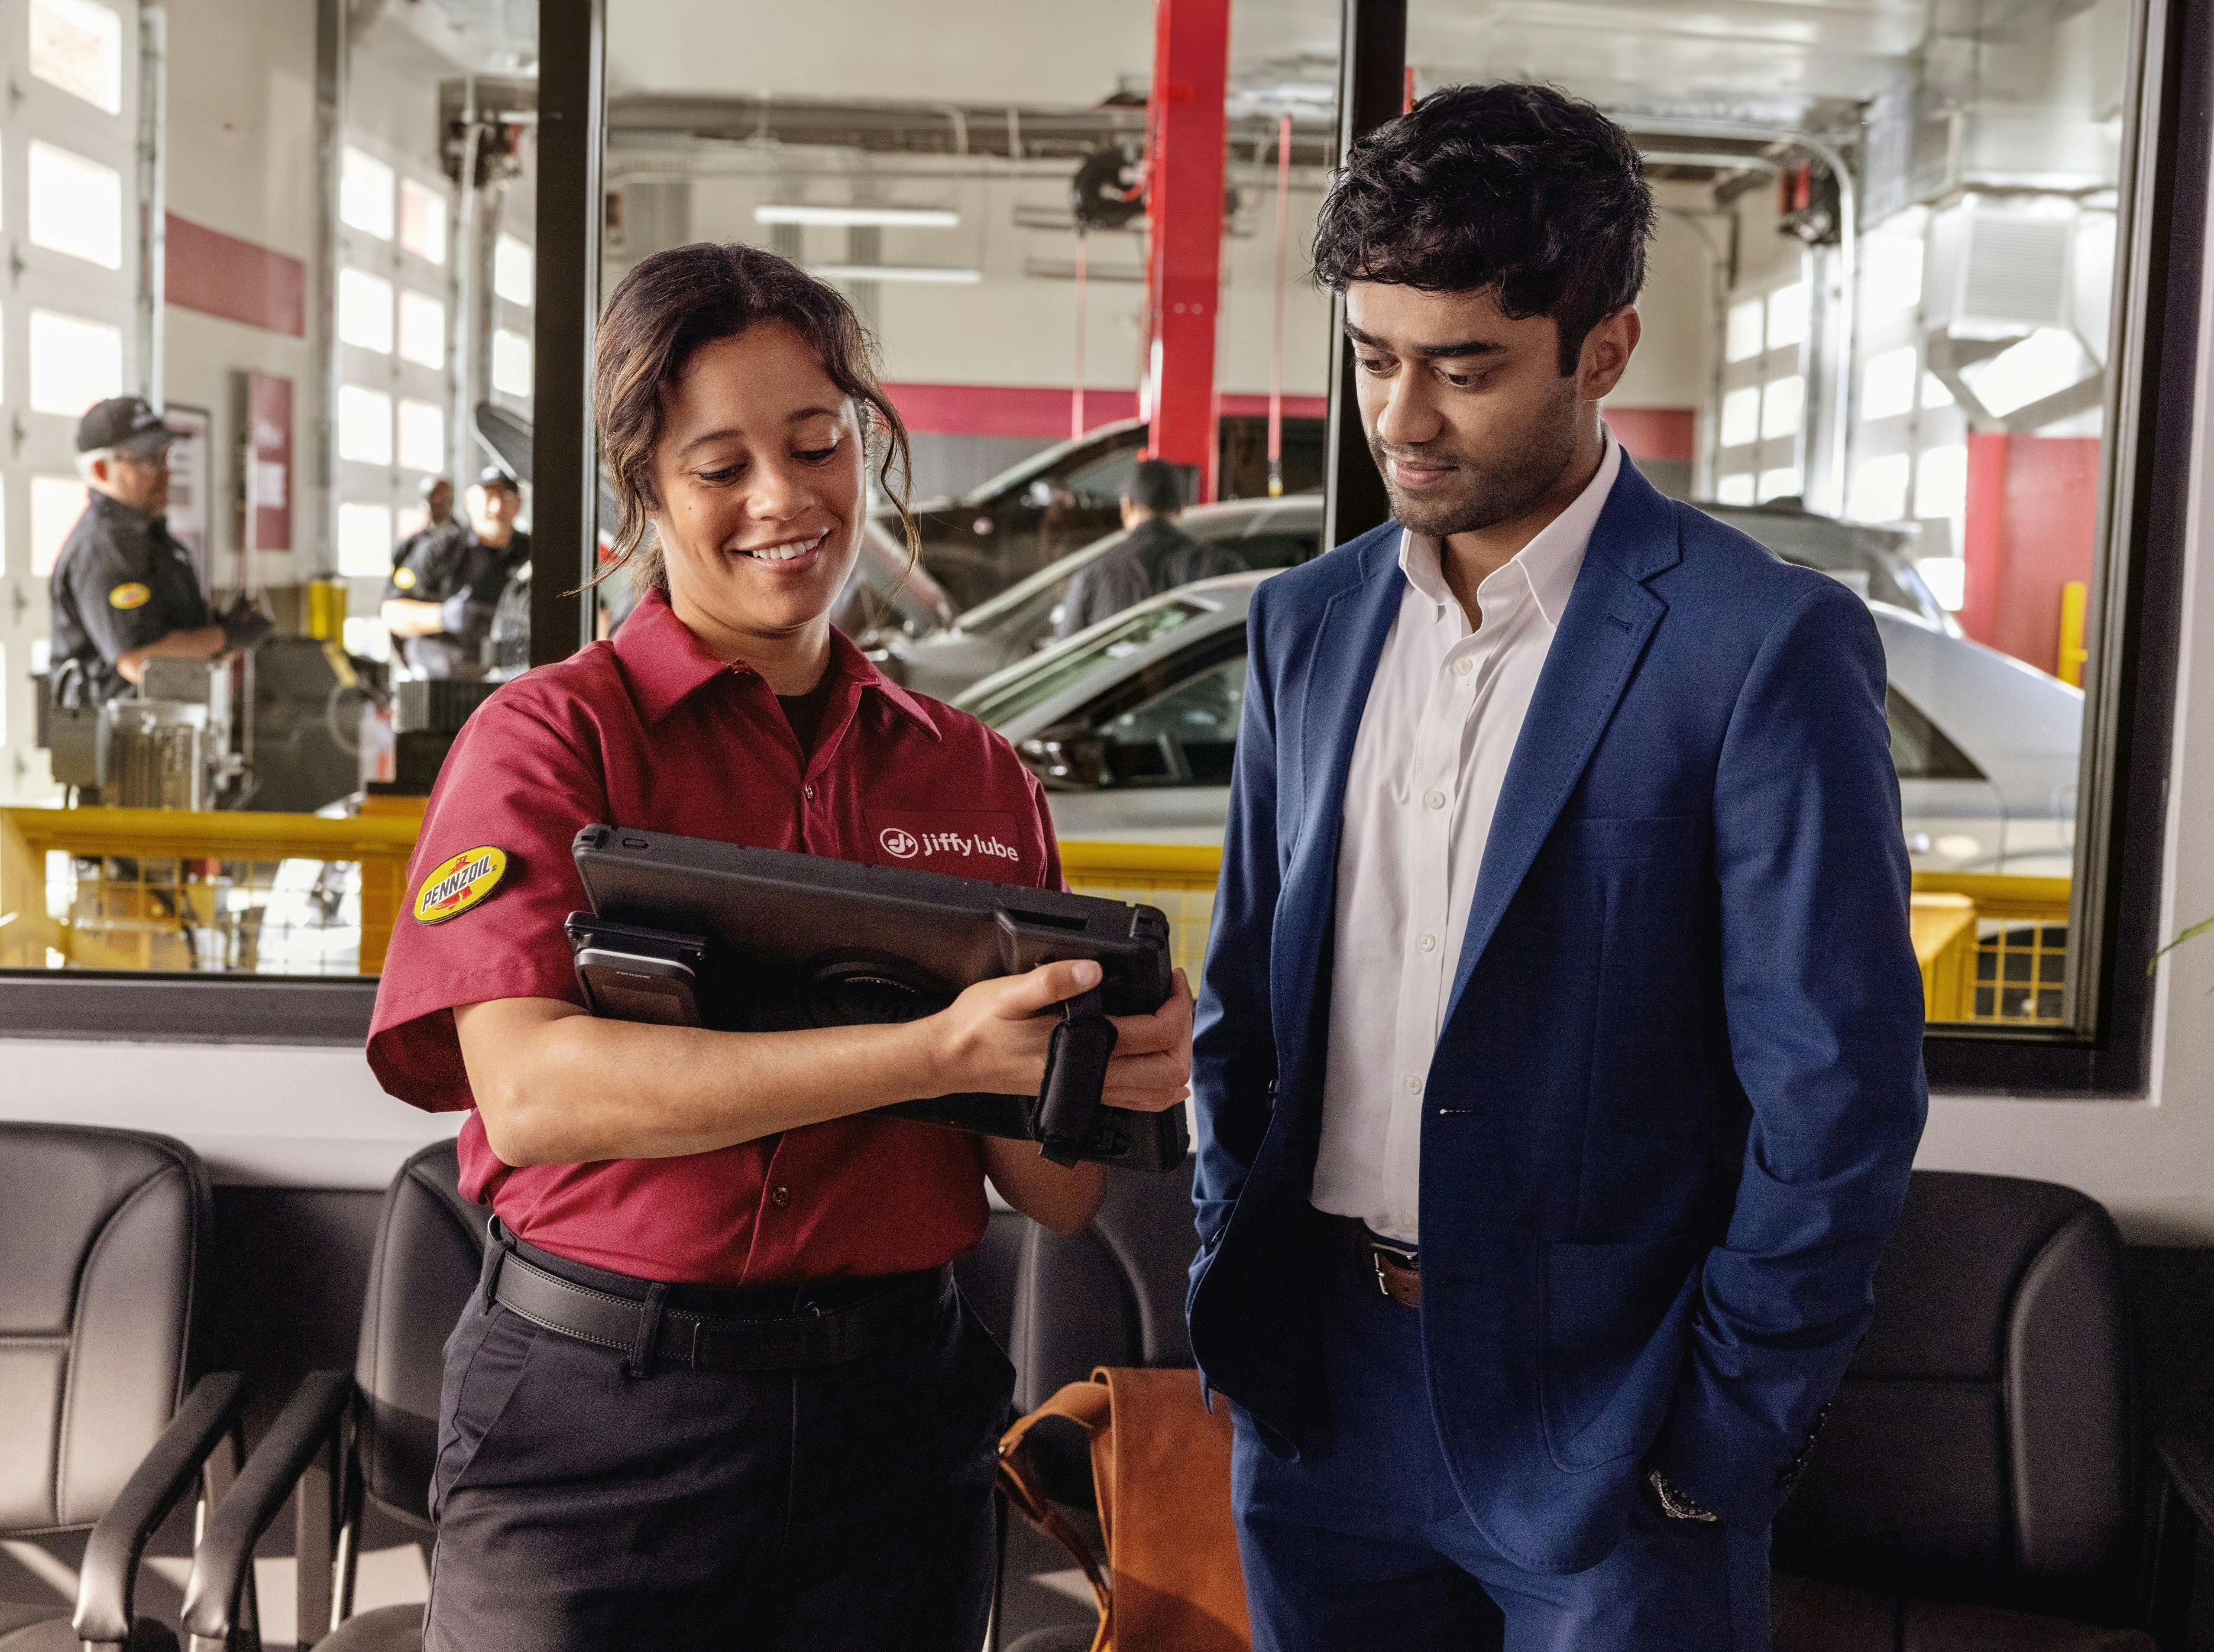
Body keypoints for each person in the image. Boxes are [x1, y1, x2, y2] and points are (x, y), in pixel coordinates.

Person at [365, 242, 1194, 1651]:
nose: (783, 499)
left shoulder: (973, 774)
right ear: (643, 487)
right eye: (720, 465)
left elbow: (1051, 1196)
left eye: (817, 445)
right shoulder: (554, 740)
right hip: (598, 1424)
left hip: (896, 1425)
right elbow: (537, 1092)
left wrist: (1111, 1071)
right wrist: (925, 1050)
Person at [1186, 82, 1928, 1651]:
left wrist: (1716, 1433)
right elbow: (1243, 1005)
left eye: (1464, 369)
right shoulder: (1304, 627)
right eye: (1373, 358)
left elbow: (1836, 1097)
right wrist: (1230, 1268)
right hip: (1322, 1401)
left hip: (1613, 1421)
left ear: (1603, 350)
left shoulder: (1759, 645)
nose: (1402, 417)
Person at [48, 396, 271, 710]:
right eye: (148, 462)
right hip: (117, 732)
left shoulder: (148, 534)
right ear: (101, 470)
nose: (166, 473)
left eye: (166, 457)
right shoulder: (103, 547)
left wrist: (218, 628)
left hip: (166, 720)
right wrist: (224, 637)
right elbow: (140, 661)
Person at [1053, 456, 1245, 637]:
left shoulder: (1092, 575)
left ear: (1127, 507)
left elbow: (1067, 652)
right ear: (1181, 509)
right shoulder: (1223, 566)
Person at [381, 466, 529, 677]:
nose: (497, 507)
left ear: (519, 504)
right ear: (469, 502)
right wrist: (442, 617)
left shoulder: (533, 552)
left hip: (511, 677)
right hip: (441, 681)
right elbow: (391, 613)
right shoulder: (439, 549)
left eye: (506, 496)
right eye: (489, 496)